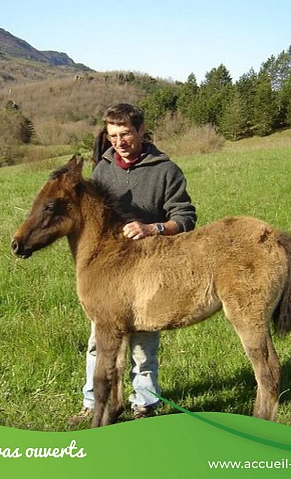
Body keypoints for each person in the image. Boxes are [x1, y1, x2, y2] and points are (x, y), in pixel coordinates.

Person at [69, 103, 197, 426]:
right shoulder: (103, 169)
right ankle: (93, 402)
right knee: (99, 342)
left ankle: (144, 403)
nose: (119, 141)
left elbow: (185, 219)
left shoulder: (165, 170)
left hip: (147, 272)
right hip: (109, 273)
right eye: (112, 135)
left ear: (141, 130)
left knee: (143, 345)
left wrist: (152, 228)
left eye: (125, 133)